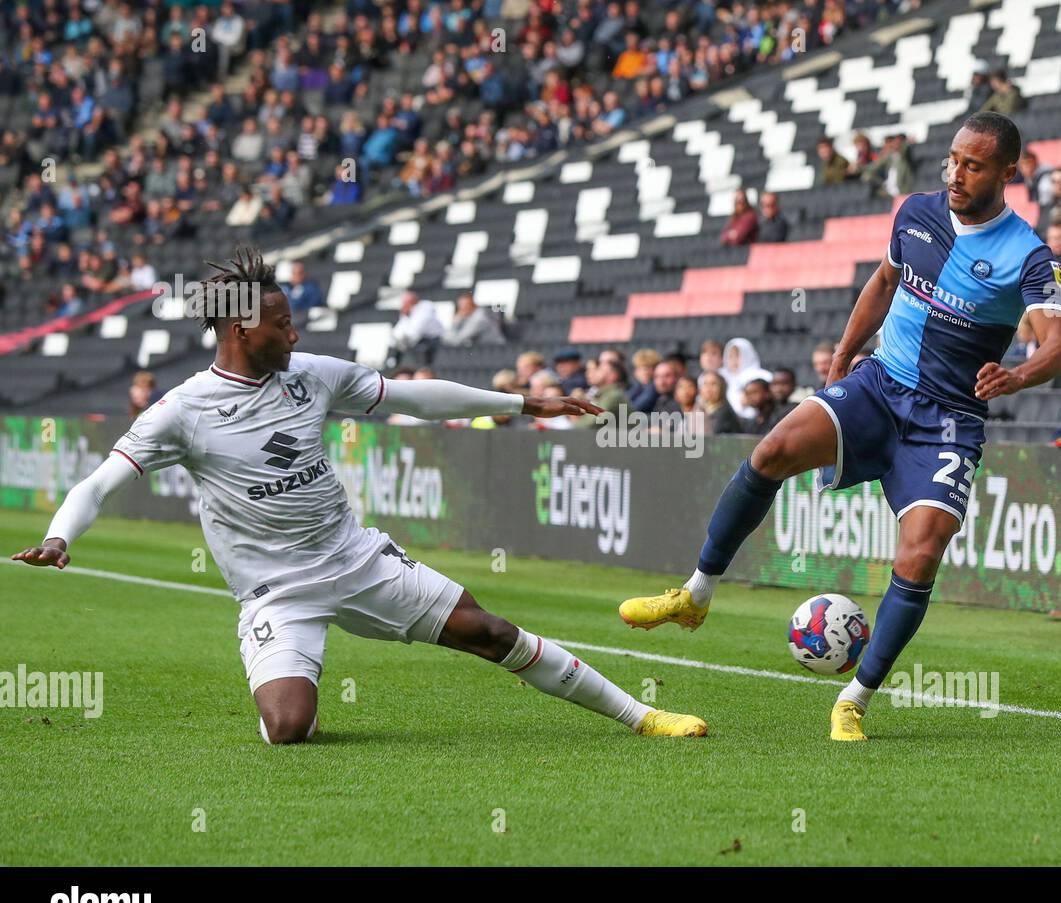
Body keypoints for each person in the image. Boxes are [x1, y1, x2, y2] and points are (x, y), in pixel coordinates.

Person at [11, 248, 707, 744]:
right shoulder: (182, 411)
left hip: (357, 559)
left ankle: (640, 717)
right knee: (286, 730)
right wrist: (60, 536)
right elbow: (100, 480)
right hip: (275, 593)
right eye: (281, 324)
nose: (294, 332)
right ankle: (293, 696)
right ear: (238, 329)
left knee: (491, 632)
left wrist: (525, 402)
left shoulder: (312, 374)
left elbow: (415, 396)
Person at [617, 113, 1061, 743]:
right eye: (953, 159)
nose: (956, 174)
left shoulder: (1027, 253)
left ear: (1007, 172)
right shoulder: (915, 211)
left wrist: (1018, 376)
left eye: (973, 165)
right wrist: (842, 352)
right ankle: (696, 594)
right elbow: (884, 282)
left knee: (921, 552)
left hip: (947, 419)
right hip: (879, 385)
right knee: (772, 450)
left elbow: (1060, 346)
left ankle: (853, 700)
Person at [720, 337, 770, 419]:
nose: (733, 361)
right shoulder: (722, 377)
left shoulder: (763, 376)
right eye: (730, 356)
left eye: (737, 356)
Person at [441, 292, 505, 347]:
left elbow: (458, 340)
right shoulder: (467, 317)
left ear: (473, 305)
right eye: (461, 307)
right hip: (483, 350)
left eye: (466, 306)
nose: (462, 310)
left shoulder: (479, 318)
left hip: (496, 350)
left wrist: (455, 323)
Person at [697, 370, 742, 434]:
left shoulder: (725, 412)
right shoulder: (701, 408)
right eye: (705, 384)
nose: (708, 388)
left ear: (722, 388)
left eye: (713, 384)